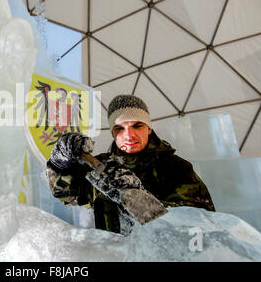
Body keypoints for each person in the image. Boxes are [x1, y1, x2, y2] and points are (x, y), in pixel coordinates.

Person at [46, 94, 215, 236]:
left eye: (137, 125)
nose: (129, 135)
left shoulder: (176, 168)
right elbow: (66, 194)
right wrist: (59, 162)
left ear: (149, 128)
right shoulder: (101, 168)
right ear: (113, 132)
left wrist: (136, 198)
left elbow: (200, 225)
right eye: (119, 128)